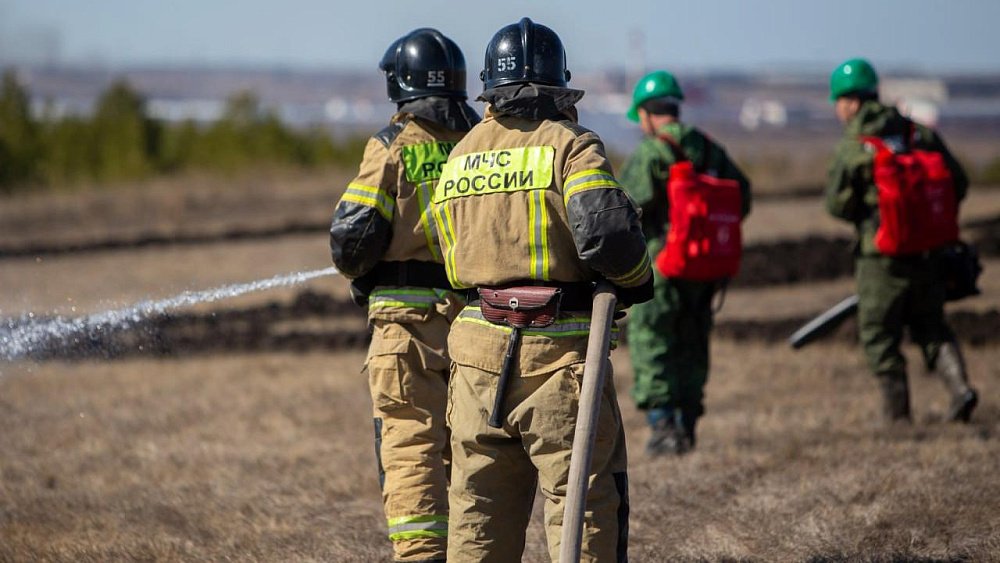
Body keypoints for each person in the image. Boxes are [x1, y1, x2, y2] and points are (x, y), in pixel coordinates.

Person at [431, 18, 652, 563]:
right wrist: (637, 281)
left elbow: (448, 254)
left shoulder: (461, 154)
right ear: (558, 84)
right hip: (559, 358)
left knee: (477, 517)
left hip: (475, 362)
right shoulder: (571, 145)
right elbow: (607, 234)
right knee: (583, 510)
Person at [328, 28, 480, 563]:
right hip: (476, 322)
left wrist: (365, 271)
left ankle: (420, 555)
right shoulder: (482, 142)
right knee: (468, 447)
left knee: (411, 442)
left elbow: (351, 241)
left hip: (407, 326)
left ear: (401, 83)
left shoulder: (393, 145)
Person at [825, 57, 978, 424]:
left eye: (838, 102)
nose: (838, 110)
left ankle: (896, 417)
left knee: (879, 333)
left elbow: (836, 204)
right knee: (931, 324)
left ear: (851, 102)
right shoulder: (917, 132)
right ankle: (960, 389)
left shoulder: (856, 143)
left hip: (882, 255)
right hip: (929, 251)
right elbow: (958, 182)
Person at [620, 70, 752, 456]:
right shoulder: (710, 149)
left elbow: (623, 209)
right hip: (705, 268)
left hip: (663, 268)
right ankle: (687, 425)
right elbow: (742, 197)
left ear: (646, 113)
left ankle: (663, 428)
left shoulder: (651, 153)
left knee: (653, 341)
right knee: (693, 345)